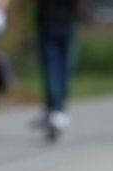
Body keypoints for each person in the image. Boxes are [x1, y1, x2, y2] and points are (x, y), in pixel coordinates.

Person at [32, 0, 85, 134]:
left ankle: (55, 108)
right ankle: (57, 108)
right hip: (64, 21)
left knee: (53, 68)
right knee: (63, 69)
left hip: (53, 22)